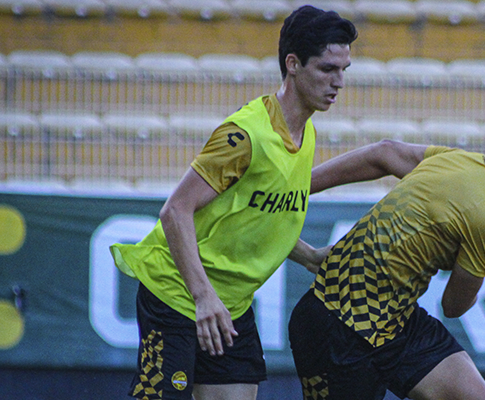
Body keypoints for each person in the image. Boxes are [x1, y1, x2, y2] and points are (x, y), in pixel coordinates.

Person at [108, 6, 356, 399]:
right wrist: (203, 296)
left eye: (344, 69)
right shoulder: (243, 135)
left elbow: (258, 212)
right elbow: (175, 211)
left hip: (231, 308)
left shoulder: (304, 132)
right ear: (293, 64)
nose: (339, 81)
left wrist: (309, 256)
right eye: (328, 69)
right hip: (175, 296)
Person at [288, 119, 485, 400]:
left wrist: (295, 190)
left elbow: (384, 152)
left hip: (394, 320)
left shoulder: (462, 160)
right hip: (337, 325)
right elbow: (454, 306)